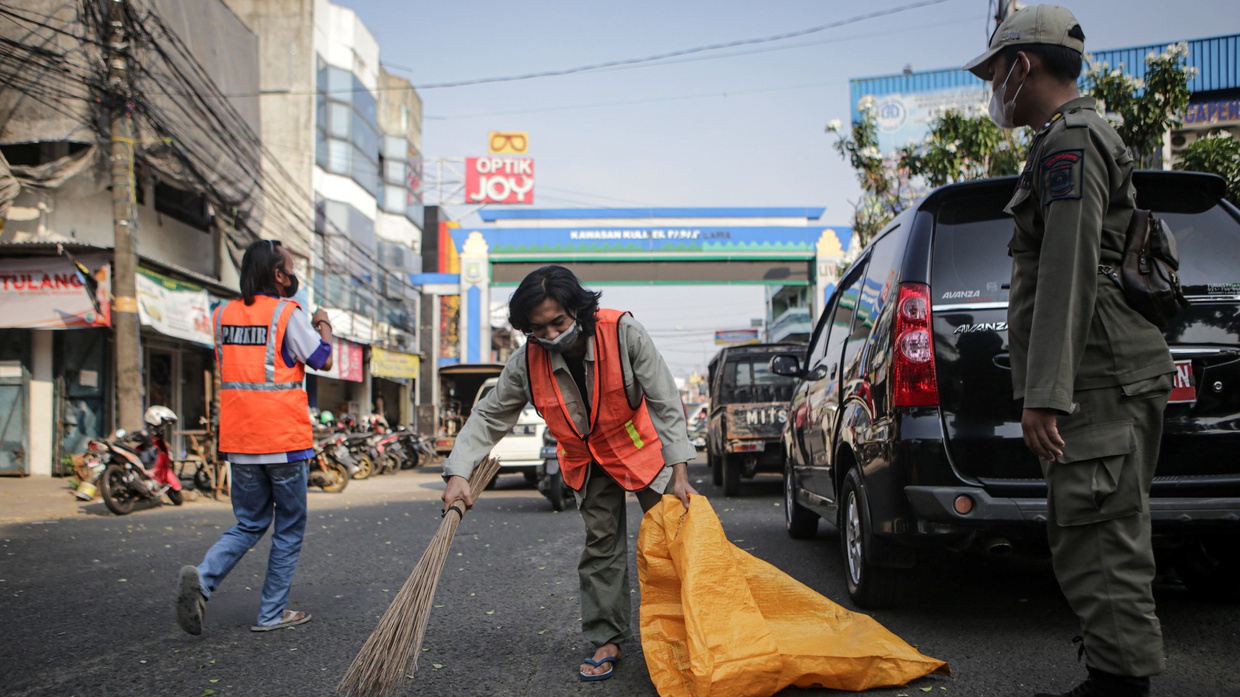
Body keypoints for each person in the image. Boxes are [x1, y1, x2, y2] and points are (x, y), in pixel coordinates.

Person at [964, 6, 1175, 697]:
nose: (992, 86)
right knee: (1095, 528)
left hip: (1098, 376)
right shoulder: (1066, 138)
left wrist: (1045, 393)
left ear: (1022, 66)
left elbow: (1067, 270)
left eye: (995, 71)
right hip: (1104, 372)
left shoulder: (1070, 144)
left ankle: (1121, 686)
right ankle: (1113, 675)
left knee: (1101, 532)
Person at [440, 265, 698, 682]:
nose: (551, 334)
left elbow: (665, 399)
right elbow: (489, 416)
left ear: (578, 309)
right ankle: (607, 638)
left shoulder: (623, 332)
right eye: (538, 328)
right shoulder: (528, 360)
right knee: (601, 547)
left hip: (643, 452)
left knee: (675, 537)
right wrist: (459, 471)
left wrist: (681, 471)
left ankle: (689, 629)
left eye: (558, 322)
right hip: (587, 458)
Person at [175, 239, 334, 635]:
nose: (294, 273)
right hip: (282, 440)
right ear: (279, 276)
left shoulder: (222, 314)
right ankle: (270, 613)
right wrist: (323, 324)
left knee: (249, 523)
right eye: (291, 267)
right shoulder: (286, 313)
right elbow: (322, 359)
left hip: (239, 441)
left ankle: (205, 578)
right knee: (289, 527)